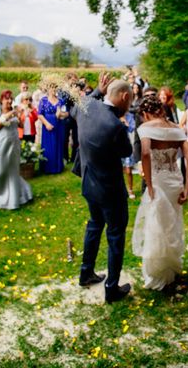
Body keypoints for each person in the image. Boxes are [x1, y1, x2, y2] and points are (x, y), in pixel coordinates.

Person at [72, 76, 133, 303]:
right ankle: (112, 288)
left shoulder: (86, 105)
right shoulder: (115, 125)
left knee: (95, 225)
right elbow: (126, 152)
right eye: (130, 101)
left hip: (89, 183)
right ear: (124, 97)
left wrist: (97, 91)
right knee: (116, 234)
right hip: (110, 190)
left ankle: (86, 272)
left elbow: (78, 107)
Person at [132, 95, 188, 290]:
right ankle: (171, 269)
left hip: (158, 181)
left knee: (156, 224)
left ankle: (158, 274)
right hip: (175, 180)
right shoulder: (177, 129)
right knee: (172, 223)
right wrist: (187, 188)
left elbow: (145, 153)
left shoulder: (146, 128)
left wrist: (149, 184)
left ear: (146, 113)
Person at [0, 91, 33, 210]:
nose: (9, 101)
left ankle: (17, 196)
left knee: (14, 170)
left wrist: (19, 115)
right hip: (3, 143)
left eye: (10, 99)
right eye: (6, 99)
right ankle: (0, 192)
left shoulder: (15, 110)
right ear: (1, 100)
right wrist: (7, 116)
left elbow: (21, 126)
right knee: (3, 169)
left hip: (14, 142)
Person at [37, 84, 68, 174]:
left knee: (58, 144)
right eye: (52, 87)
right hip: (47, 125)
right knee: (48, 146)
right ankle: (47, 168)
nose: (54, 89)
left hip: (59, 125)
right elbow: (39, 114)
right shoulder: (44, 100)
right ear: (48, 89)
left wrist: (60, 114)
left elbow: (66, 113)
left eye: (56, 87)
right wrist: (46, 124)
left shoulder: (61, 101)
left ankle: (57, 167)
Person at [121, 110, 137, 199]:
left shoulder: (129, 115)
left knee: (128, 170)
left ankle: (130, 190)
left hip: (126, 144)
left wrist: (125, 121)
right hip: (115, 145)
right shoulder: (112, 114)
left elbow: (131, 128)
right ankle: (121, 189)